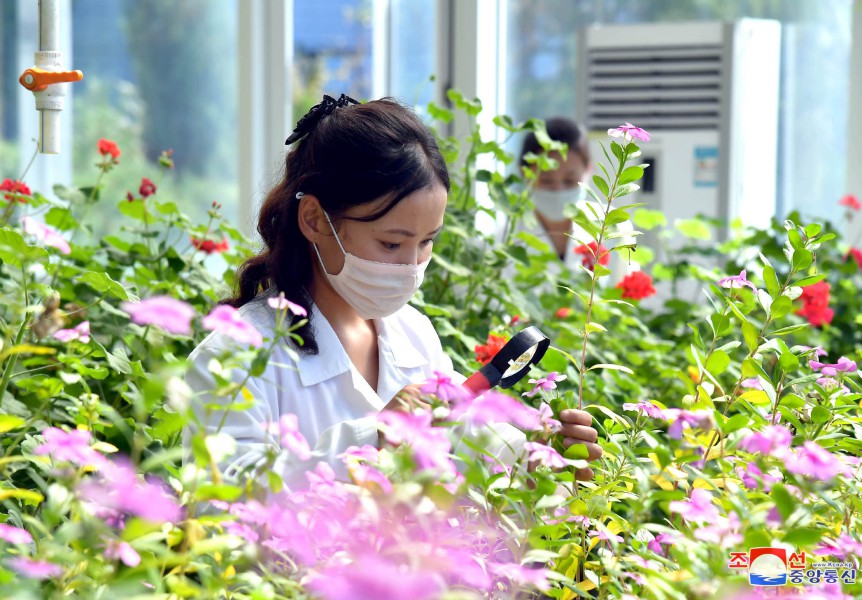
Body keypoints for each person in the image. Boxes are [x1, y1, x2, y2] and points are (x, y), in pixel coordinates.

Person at [183, 95, 602, 491]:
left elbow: (465, 442)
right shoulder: (235, 356)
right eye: (391, 243)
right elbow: (221, 499)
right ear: (314, 219)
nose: (411, 266)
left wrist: (538, 461)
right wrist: (370, 440)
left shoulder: (413, 335)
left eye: (426, 242)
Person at [514, 117, 635, 283]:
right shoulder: (504, 242)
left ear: (588, 170)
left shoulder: (614, 227)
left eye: (569, 181)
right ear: (524, 173)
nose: (558, 190)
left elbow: (629, 293)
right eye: (546, 181)